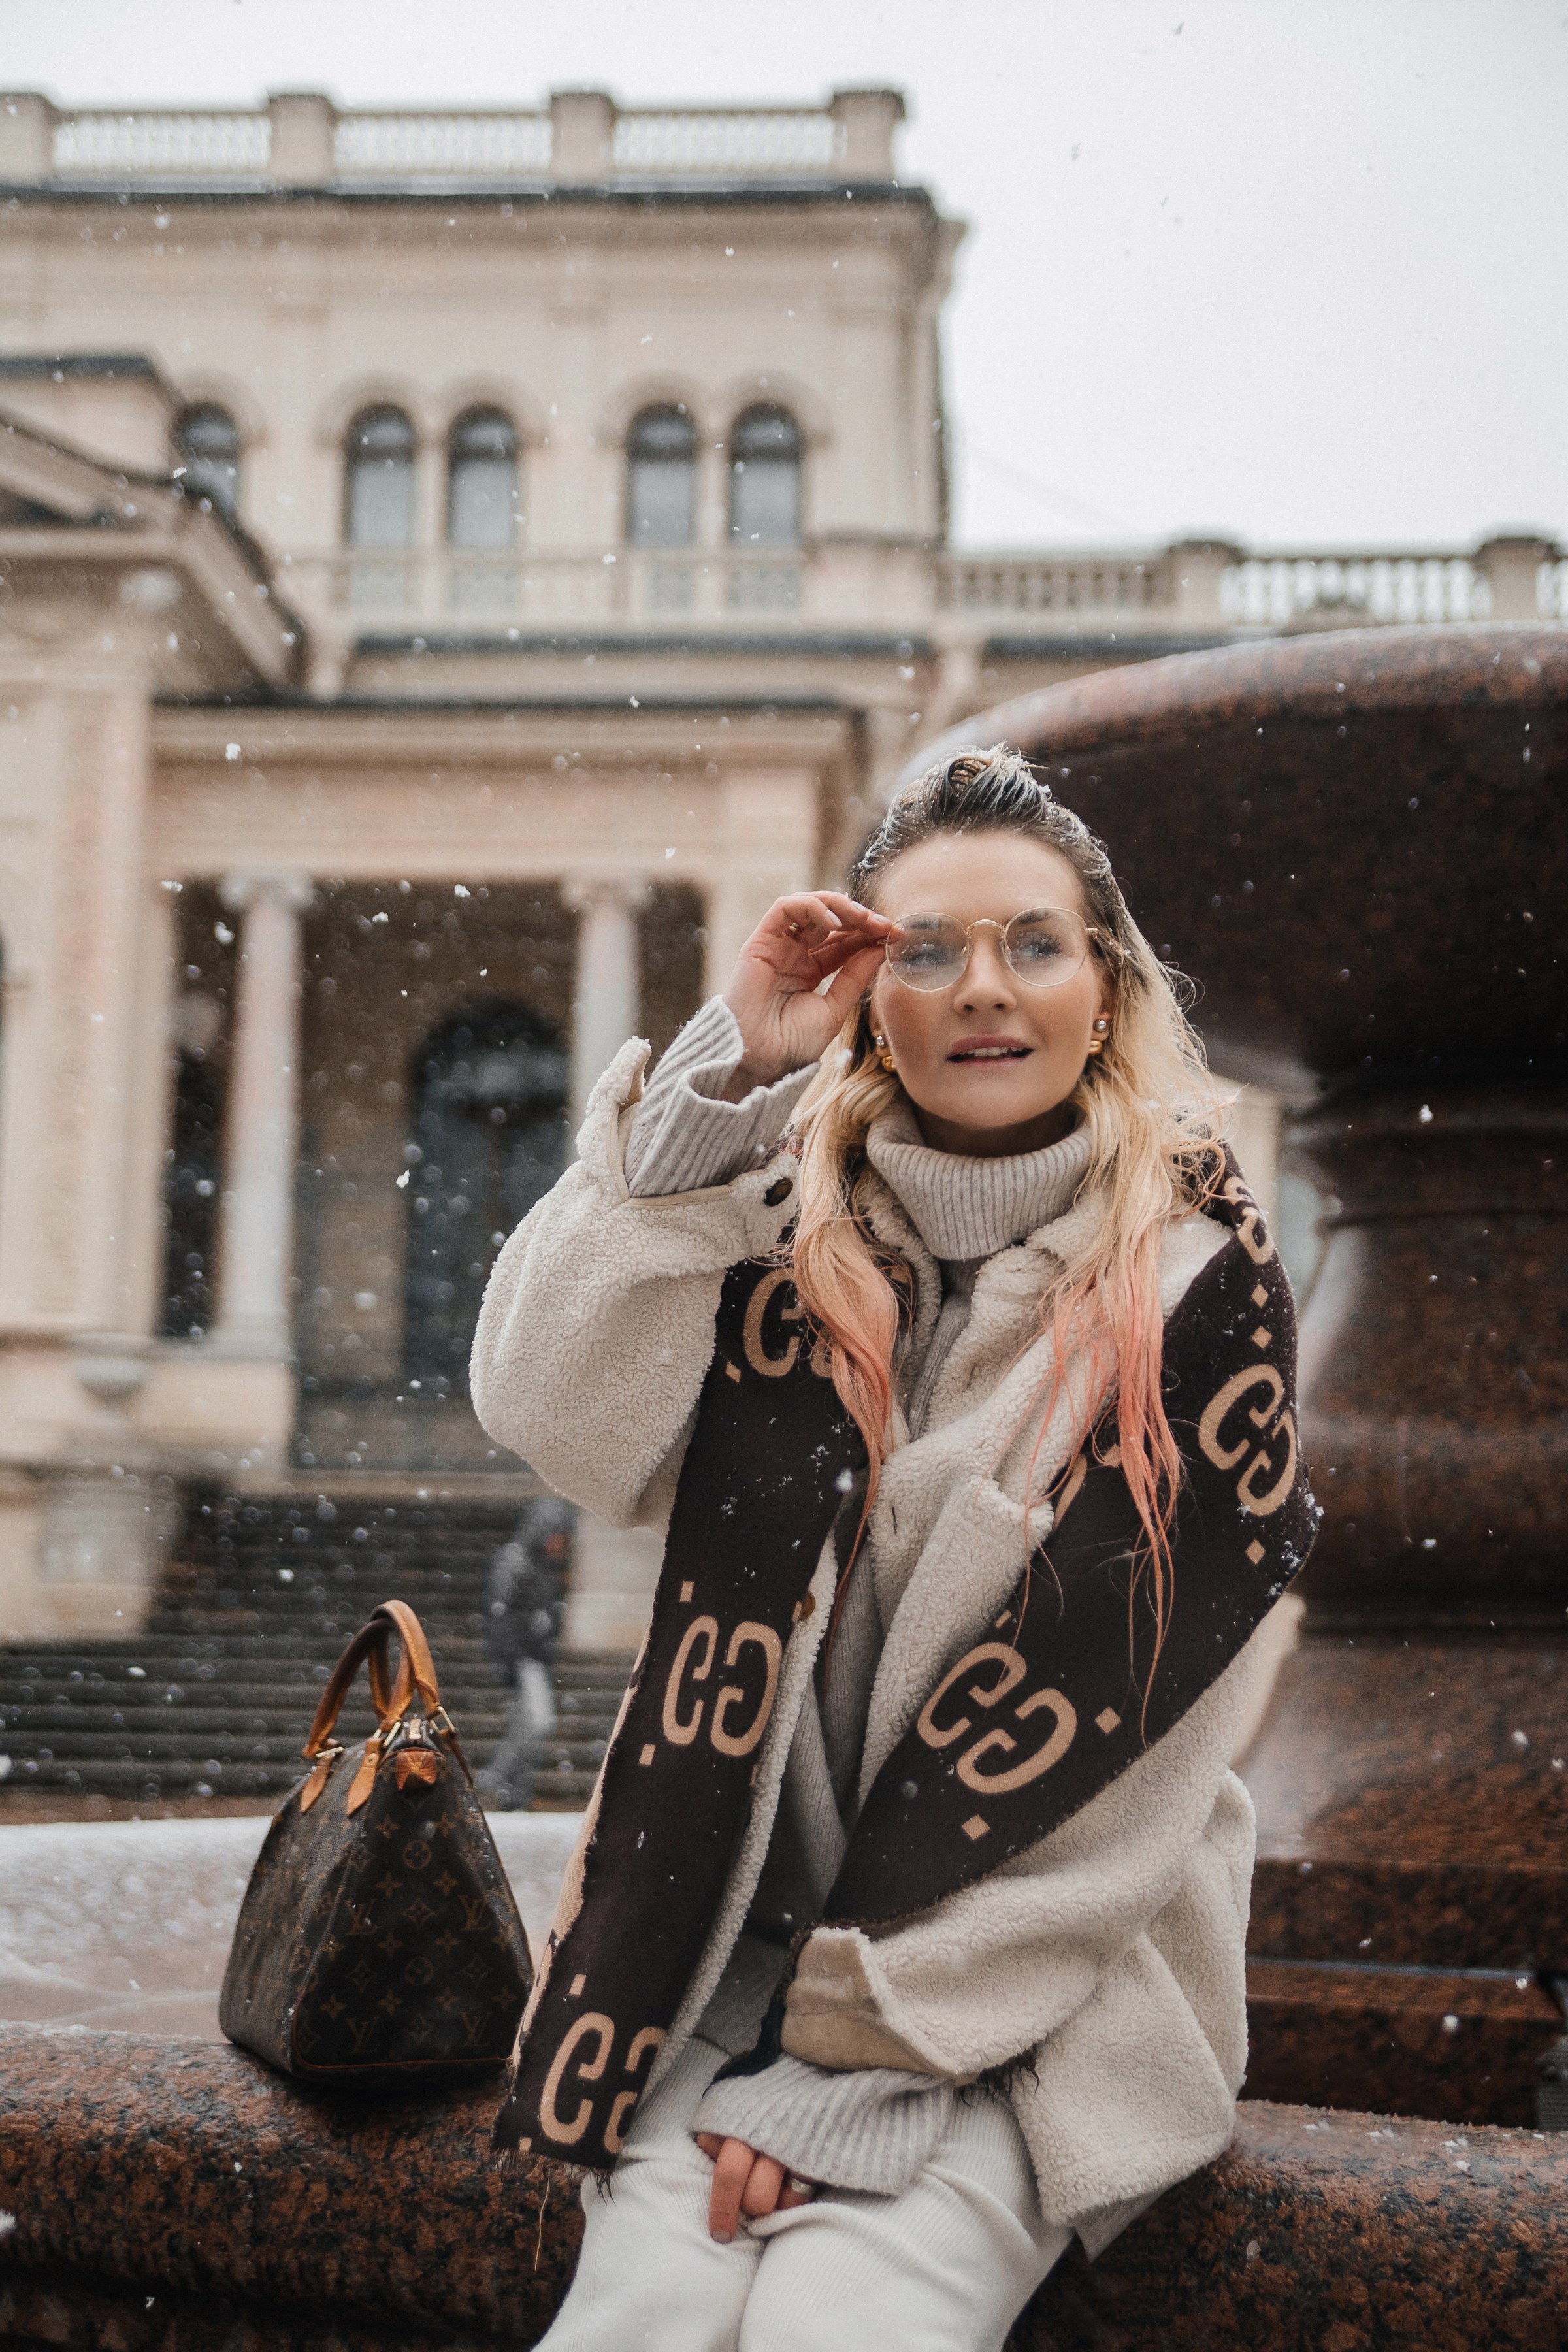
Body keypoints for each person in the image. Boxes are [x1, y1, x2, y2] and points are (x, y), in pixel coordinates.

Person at [470, 747, 1311, 2352]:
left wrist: (858, 2068)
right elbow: (546, 1410)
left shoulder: (1197, 1291)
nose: (979, 990)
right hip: (736, 1969)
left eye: (1029, 943)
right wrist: (704, 1121)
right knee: (634, 2320)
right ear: (868, 991)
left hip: (1036, 1997)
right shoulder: (779, 1232)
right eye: (923, 950)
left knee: (843, 2323)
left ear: (1099, 986)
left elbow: (1120, 1775)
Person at [475, 1495, 572, 1811]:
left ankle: (512, 1791)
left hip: (533, 1659)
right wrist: (513, 1658)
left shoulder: (544, 1568)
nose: (560, 1544)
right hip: (522, 1659)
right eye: (557, 1535)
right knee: (536, 1722)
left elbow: (545, 1615)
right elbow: (500, 1616)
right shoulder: (515, 1563)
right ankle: (497, 1781)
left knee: (530, 1724)